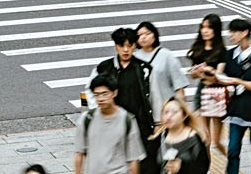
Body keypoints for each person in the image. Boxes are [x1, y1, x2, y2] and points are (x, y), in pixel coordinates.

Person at [87, 28, 156, 174]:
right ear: (115, 46)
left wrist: (157, 122)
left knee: (142, 165)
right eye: (121, 46)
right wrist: (96, 113)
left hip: (139, 126)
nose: (125, 50)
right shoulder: (104, 68)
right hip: (111, 125)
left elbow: (154, 96)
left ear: (135, 46)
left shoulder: (143, 69)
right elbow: (89, 91)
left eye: (129, 46)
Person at [203, 18, 251, 174]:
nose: (231, 35)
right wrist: (207, 73)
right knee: (233, 150)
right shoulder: (230, 54)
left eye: (234, 32)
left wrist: (237, 81)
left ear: (244, 33)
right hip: (237, 108)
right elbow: (220, 77)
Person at [75, 75, 146, 174]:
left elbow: (133, 159)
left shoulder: (127, 120)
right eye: (97, 95)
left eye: (104, 94)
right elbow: (79, 153)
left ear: (114, 93)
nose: (100, 98)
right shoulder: (87, 119)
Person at [187, 14, 228, 157]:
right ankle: (206, 167)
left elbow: (218, 78)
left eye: (209, 28)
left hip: (216, 94)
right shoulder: (198, 49)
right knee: (205, 139)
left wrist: (206, 72)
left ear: (216, 30)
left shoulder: (221, 51)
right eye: (203, 27)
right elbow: (193, 74)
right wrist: (196, 72)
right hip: (202, 92)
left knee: (216, 142)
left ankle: (233, 161)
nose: (205, 31)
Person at [134, 22, 189, 127]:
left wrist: (181, 110)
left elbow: (179, 86)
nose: (143, 37)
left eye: (147, 34)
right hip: (143, 115)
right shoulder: (134, 58)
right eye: (139, 35)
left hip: (166, 113)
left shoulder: (166, 55)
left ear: (155, 35)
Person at [151, 97, 210, 174]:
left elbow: (203, 167)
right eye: (166, 112)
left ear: (184, 115)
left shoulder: (194, 139)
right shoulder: (159, 138)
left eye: (174, 112)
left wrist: (182, 167)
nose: (169, 116)